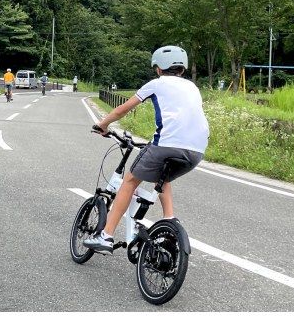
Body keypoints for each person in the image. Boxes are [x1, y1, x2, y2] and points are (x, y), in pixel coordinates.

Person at [83, 45, 209, 254]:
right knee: (163, 176)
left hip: (167, 144)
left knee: (130, 181)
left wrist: (103, 125)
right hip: (197, 150)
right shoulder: (193, 87)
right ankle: (170, 222)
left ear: (158, 68)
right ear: (182, 69)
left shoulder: (156, 84)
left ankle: (106, 236)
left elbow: (123, 109)